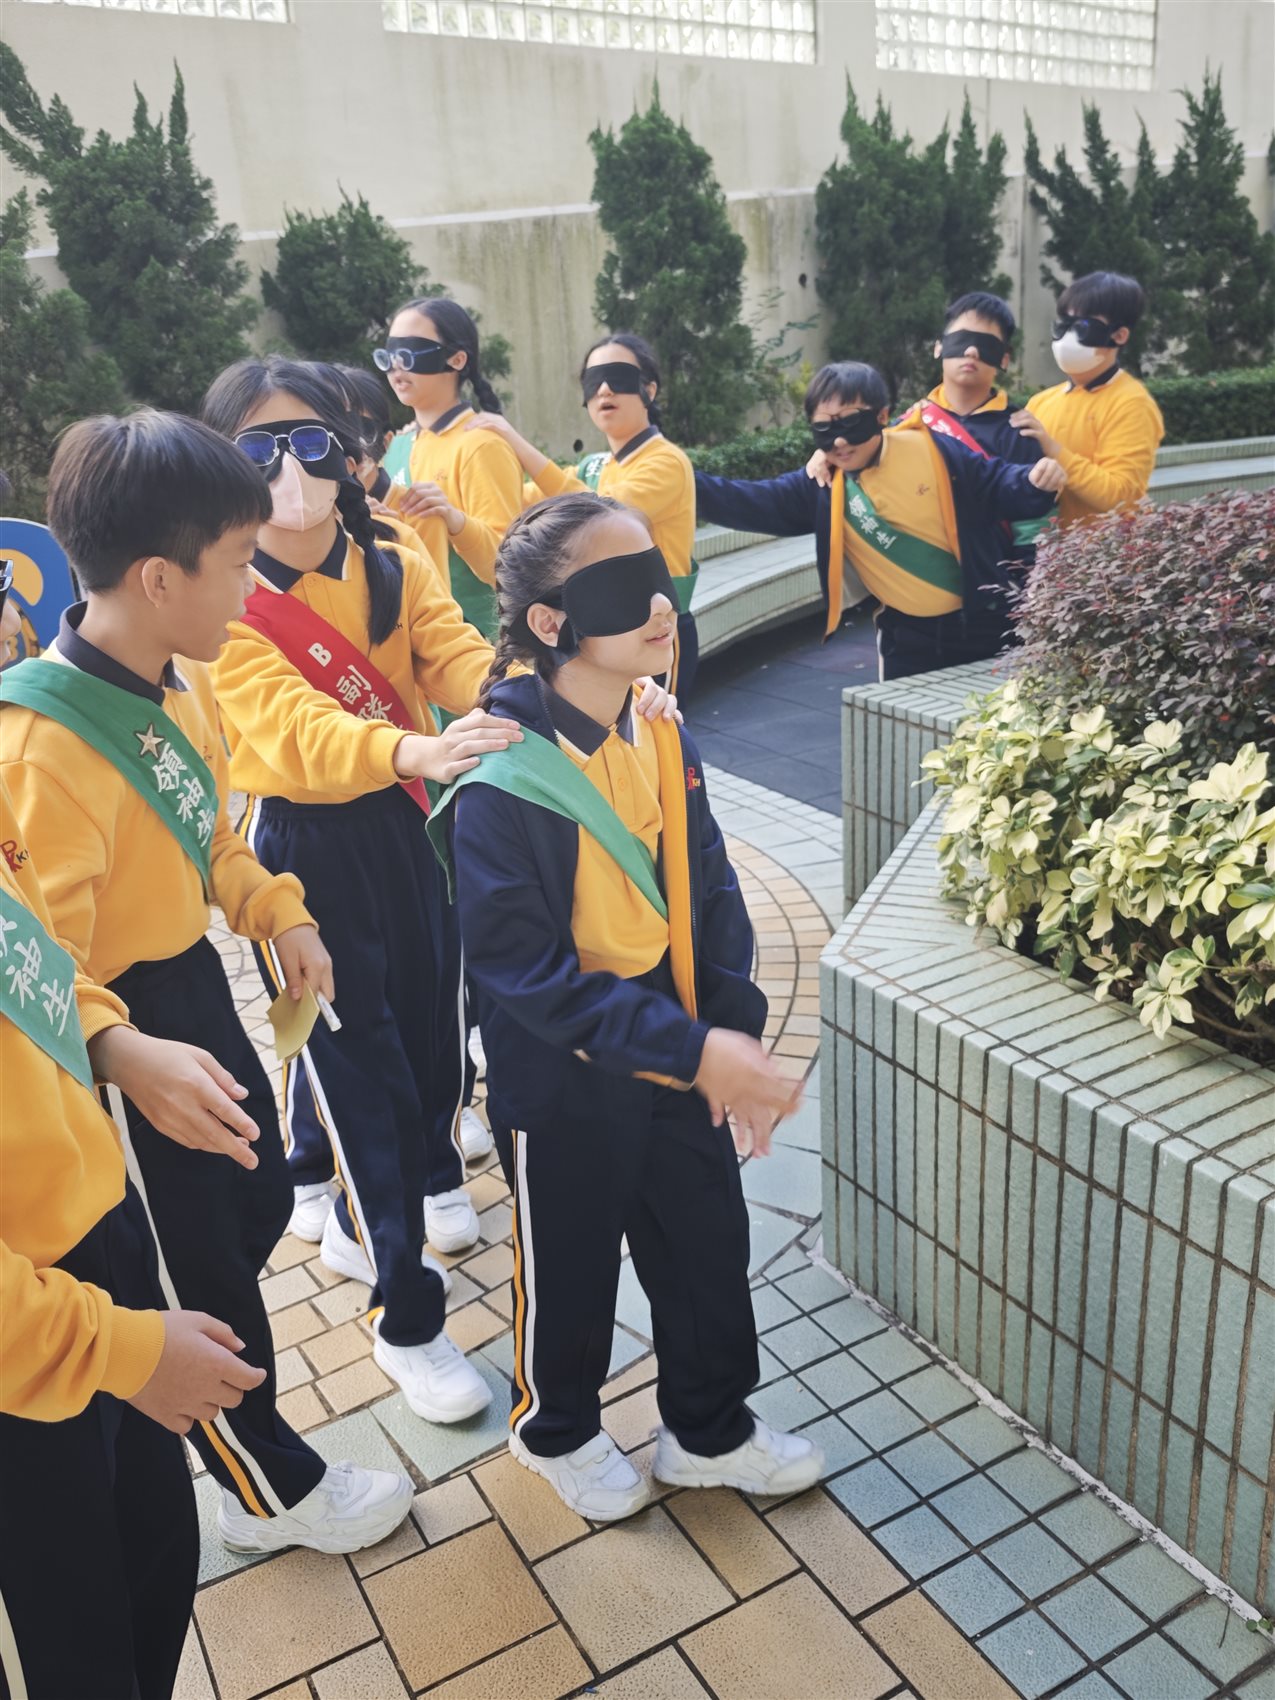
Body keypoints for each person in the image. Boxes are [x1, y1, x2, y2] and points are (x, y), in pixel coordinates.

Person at [0, 410, 414, 1560]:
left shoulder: (177, 684)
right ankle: (264, 1484)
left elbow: (215, 837)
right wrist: (119, 1052)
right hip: (113, 1041)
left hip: (191, 994)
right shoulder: (40, 748)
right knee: (200, 1269)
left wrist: (279, 911)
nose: (251, 585)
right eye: (236, 563)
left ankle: (235, 1440)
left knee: (254, 1202)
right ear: (156, 577)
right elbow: (37, 966)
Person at [431, 490, 824, 1520]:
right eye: (622, 585)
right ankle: (555, 1430)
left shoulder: (656, 725)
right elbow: (523, 974)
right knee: (569, 1262)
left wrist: (725, 1035)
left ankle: (709, 1429)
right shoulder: (499, 772)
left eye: (656, 575)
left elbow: (709, 886)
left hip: (672, 1026)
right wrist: (700, 1053)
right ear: (552, 621)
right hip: (561, 1061)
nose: (660, 604)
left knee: (705, 1239)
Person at [200, 355, 512, 1427]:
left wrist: (519, 697)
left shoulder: (395, 554)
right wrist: (410, 747)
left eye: (311, 441)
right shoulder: (225, 590)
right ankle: (405, 1317)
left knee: (432, 1043)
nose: (290, 468)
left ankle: (362, 1196)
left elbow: (453, 653)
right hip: (302, 849)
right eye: (258, 447)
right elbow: (288, 725)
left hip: (407, 825)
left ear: (348, 449)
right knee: (356, 1077)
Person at [0, 776, 268, 1700]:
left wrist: (113, 1043)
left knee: (153, 1555)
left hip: (89, 1243)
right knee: (67, 1647)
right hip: (23, 1337)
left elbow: (27, 957)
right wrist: (120, 1351)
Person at [695, 361, 1066, 680]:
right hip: (907, 638)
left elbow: (994, 482)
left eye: (852, 424)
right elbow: (749, 501)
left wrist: (1033, 480)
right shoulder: (822, 482)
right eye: (824, 429)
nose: (840, 442)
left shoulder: (932, 448)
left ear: (882, 416)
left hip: (984, 625)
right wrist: (683, 479)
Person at [467, 333, 699, 697]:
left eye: (618, 377)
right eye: (594, 381)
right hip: (605, 629)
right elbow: (523, 499)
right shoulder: (596, 466)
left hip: (654, 628)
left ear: (649, 390)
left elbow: (596, 514)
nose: (605, 389)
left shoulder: (666, 462)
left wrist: (513, 440)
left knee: (656, 724)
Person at [374, 296, 522, 641]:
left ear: (456, 359)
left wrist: (455, 521)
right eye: (389, 354)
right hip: (413, 632)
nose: (396, 367)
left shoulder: (481, 445)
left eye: (410, 352)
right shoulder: (397, 446)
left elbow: (508, 566)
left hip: (475, 640)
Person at [1012, 271, 1164, 529]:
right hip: (1046, 547)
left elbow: (1120, 497)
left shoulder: (1132, 403)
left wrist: (1053, 450)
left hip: (1107, 550)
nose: (1067, 338)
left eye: (1083, 327)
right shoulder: (1040, 402)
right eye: (1063, 325)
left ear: (1119, 335)